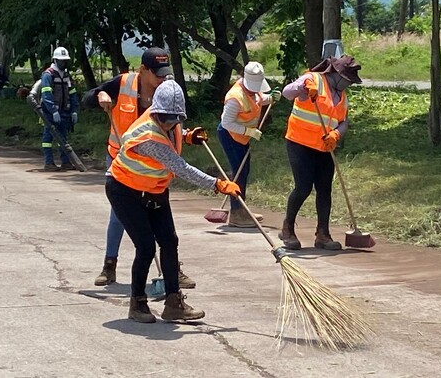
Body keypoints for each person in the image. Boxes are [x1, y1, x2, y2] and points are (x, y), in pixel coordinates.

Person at [105, 79, 241, 323]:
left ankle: (173, 303)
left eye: (176, 120)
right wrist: (217, 184)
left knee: (169, 240)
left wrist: (187, 136)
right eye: (166, 119)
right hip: (125, 191)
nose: (171, 123)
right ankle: (137, 304)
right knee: (145, 246)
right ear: (156, 111)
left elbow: (172, 137)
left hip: (154, 189)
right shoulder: (148, 137)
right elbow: (182, 168)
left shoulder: (171, 120)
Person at [82, 47, 196, 290]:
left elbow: (168, 129)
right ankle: (109, 265)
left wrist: (185, 136)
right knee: (120, 216)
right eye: (157, 74)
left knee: (161, 221)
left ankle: (173, 270)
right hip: (120, 161)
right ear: (142, 70)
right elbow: (87, 97)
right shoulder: (123, 83)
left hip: (154, 167)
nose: (162, 79)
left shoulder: (165, 93)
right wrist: (99, 96)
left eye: (165, 73)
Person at [279, 55, 362, 251]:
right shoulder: (313, 79)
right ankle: (288, 229)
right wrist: (303, 88)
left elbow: (344, 122)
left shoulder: (342, 96)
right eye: (348, 80)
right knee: (303, 187)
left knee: (325, 189)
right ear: (337, 74)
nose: (349, 84)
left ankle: (323, 234)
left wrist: (336, 134)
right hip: (300, 143)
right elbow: (286, 93)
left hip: (325, 147)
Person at [217, 61, 280, 227]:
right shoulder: (235, 97)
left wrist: (271, 98)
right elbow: (226, 123)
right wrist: (249, 131)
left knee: (244, 172)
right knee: (239, 173)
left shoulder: (253, 91)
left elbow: (259, 99)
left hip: (242, 136)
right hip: (230, 136)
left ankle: (242, 209)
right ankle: (236, 213)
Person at [39, 47, 79, 171]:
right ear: (55, 60)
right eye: (61, 61)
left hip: (64, 111)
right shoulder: (48, 75)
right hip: (49, 113)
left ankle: (65, 162)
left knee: (63, 137)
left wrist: (74, 111)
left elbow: (72, 94)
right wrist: (53, 110)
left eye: (65, 61)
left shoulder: (66, 75)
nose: (63, 63)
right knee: (48, 138)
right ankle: (49, 162)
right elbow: (46, 94)